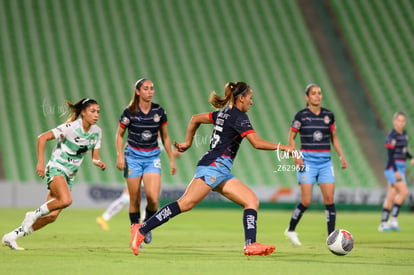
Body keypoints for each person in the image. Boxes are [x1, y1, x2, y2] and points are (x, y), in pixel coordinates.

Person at [128, 81, 292, 256]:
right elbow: (257, 143)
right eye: (250, 98)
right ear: (241, 98)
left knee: (251, 200)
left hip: (220, 170)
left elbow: (195, 119)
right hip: (214, 167)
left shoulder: (225, 113)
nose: (252, 102)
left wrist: (188, 142)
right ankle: (142, 229)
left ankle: (250, 244)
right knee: (185, 203)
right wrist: (283, 147)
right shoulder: (238, 116)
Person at [2, 98, 106, 250]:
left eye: (98, 112)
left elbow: (95, 156)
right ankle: (33, 214)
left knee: (51, 217)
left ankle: (12, 236)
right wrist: (40, 163)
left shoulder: (97, 132)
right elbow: (42, 138)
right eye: (92, 111)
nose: (96, 115)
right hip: (57, 167)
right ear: (83, 113)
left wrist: (98, 162)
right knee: (66, 200)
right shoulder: (70, 127)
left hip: (70, 175)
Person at [285, 84, 348, 246]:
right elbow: (291, 137)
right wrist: (295, 155)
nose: (317, 96)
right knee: (306, 201)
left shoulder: (329, 115)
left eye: (319, 93)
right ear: (307, 97)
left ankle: (331, 237)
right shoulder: (301, 116)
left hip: (325, 162)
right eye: (313, 93)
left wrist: (341, 155)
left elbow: (334, 137)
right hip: (307, 163)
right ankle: (291, 229)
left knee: (329, 199)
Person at [116, 78, 176, 246]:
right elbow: (119, 135)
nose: (150, 91)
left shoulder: (159, 111)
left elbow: (165, 136)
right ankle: (135, 232)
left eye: (152, 88)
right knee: (134, 199)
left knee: (153, 199)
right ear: (138, 92)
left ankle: (147, 226)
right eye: (146, 89)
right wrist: (120, 156)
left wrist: (171, 159)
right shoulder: (129, 112)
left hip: (152, 158)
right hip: (133, 158)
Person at [96, 146, 181, 231]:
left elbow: (171, 150)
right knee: (128, 198)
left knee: (151, 198)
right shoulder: (141, 138)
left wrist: (175, 153)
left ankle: (144, 221)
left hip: (148, 170)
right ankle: (105, 218)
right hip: (136, 168)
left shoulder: (157, 140)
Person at [378, 111, 414, 232]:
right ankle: (393, 219)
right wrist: (395, 170)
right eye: (399, 120)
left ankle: (383, 223)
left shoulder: (404, 134)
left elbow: (404, 150)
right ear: (394, 122)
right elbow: (390, 155)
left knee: (391, 196)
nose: (401, 123)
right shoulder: (392, 135)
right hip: (393, 168)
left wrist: (411, 157)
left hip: (401, 167)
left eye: (403, 120)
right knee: (404, 192)